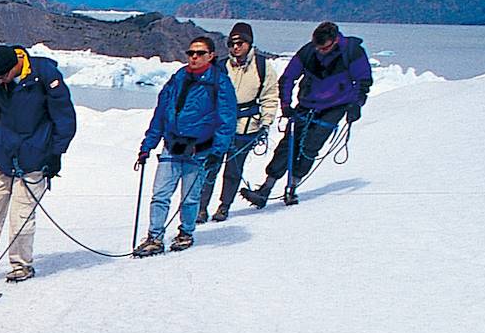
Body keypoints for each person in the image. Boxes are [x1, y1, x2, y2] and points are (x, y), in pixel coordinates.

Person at [0, 43, 76, 288]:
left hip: (34, 158)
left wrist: (56, 154)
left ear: (15, 66)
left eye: (3, 76)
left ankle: (21, 265)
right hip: (3, 156)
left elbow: (64, 118)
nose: (0, 82)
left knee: (21, 217)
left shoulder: (44, 75)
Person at [242, 21, 372, 208]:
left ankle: (292, 188)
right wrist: (286, 105)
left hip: (335, 106)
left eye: (324, 47)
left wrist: (356, 105)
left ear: (335, 41)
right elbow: (287, 78)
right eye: (317, 47)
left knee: (310, 147)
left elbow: (363, 80)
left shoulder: (352, 51)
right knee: (288, 145)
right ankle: (266, 188)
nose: (320, 51)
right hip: (307, 104)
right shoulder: (309, 51)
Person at [131, 35, 235, 257]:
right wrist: (147, 145)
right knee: (160, 194)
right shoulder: (178, 78)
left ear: (211, 56)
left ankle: (185, 233)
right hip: (172, 145)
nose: (194, 57)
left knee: (190, 197)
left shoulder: (219, 82)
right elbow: (161, 113)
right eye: (191, 53)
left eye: (200, 53)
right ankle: (154, 237)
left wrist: (218, 151)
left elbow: (227, 119)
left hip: (199, 149)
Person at [196, 22, 281, 221]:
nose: (236, 47)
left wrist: (266, 122)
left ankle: (224, 206)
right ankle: (201, 207)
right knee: (210, 167)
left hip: (246, 126)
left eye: (240, 42)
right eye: (232, 43)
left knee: (234, 170)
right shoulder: (220, 66)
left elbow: (269, 95)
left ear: (249, 43)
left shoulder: (262, 66)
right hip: (219, 126)